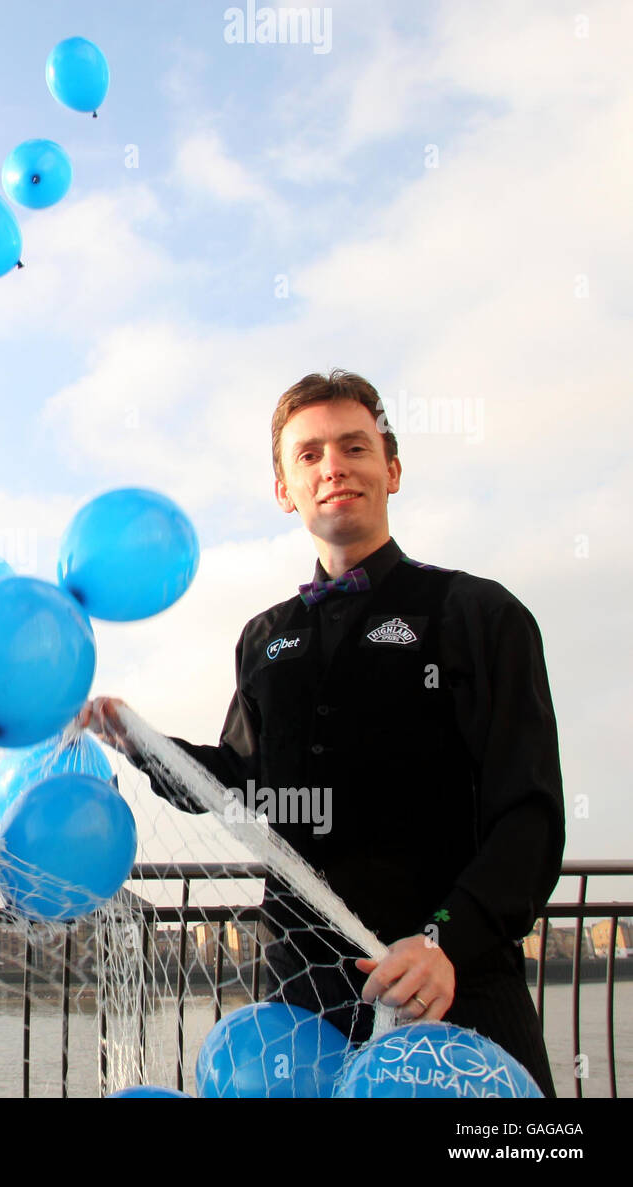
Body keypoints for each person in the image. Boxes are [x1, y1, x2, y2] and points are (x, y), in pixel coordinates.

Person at [81, 370, 564, 1095]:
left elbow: (529, 816)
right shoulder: (264, 637)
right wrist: (140, 740)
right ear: (285, 489)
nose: (332, 466)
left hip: (452, 990)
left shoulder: (479, 612)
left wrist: (445, 942)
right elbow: (242, 786)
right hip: (300, 1010)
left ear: (391, 469)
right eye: (308, 454)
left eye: (354, 446)